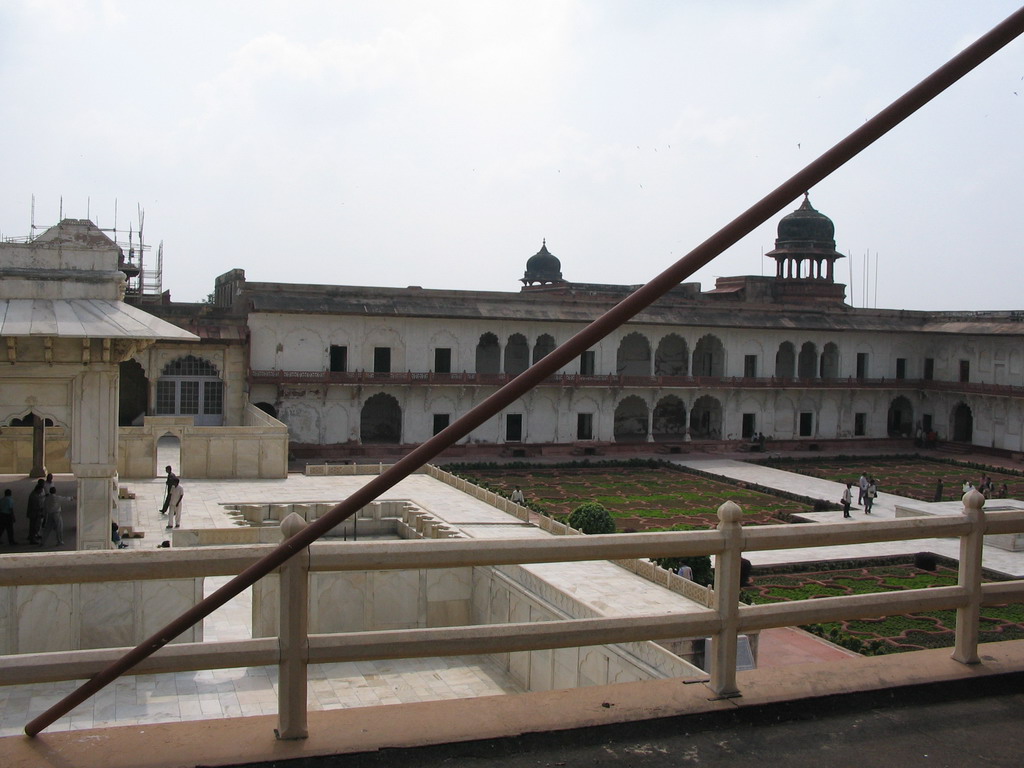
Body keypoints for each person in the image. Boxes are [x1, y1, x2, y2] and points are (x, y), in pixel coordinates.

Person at [26, 478, 45, 544]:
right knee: (34, 526)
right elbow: (35, 507)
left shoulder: (35, 494)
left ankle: (33, 536)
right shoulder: (34, 496)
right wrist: (41, 509)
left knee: (35, 526)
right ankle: (32, 539)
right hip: (34, 514)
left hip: (35, 513)